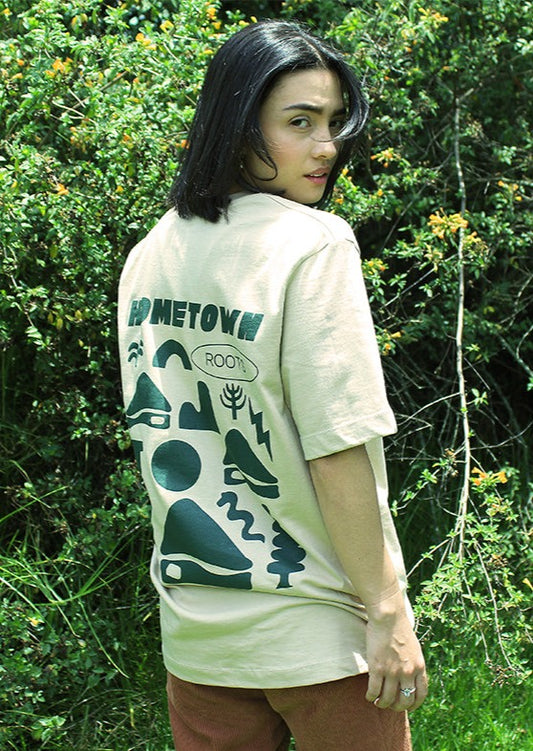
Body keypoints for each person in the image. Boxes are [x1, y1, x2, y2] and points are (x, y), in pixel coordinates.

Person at [118, 18, 427, 751]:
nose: (327, 146)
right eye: (299, 122)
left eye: (332, 122)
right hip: (320, 633)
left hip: (198, 637)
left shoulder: (151, 251)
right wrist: (387, 609)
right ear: (236, 124)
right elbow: (336, 446)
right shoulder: (312, 245)